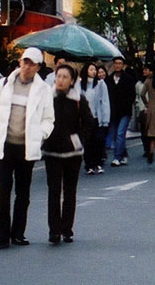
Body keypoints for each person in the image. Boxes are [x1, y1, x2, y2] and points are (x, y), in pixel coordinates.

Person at [0, 47, 55, 249]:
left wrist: (40, 135)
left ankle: (18, 233)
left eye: (31, 63)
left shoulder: (44, 90)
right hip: (4, 144)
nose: (26, 66)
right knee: (3, 190)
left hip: (26, 147)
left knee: (23, 193)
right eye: (24, 62)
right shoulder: (3, 84)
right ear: (19, 62)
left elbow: (49, 119)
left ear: (38, 67)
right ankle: (1, 234)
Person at [43, 64, 94, 244]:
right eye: (58, 76)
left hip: (73, 153)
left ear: (72, 81)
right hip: (51, 151)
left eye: (65, 77)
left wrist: (78, 140)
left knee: (70, 192)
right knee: (53, 192)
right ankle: (54, 231)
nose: (60, 80)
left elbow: (89, 123)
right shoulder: (47, 98)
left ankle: (67, 229)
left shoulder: (79, 99)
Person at [79, 62, 110, 175]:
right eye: (91, 69)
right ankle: (89, 165)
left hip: (97, 117)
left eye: (94, 70)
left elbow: (105, 102)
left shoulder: (101, 84)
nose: (93, 72)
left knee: (98, 141)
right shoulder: (80, 85)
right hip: (86, 119)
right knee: (87, 142)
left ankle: (98, 163)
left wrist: (105, 119)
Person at [105, 56, 136, 167]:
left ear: (123, 65)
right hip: (113, 112)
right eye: (116, 63)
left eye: (120, 63)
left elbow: (132, 95)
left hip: (124, 111)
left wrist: (126, 104)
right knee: (114, 135)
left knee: (120, 134)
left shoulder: (128, 78)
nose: (117, 65)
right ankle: (123, 154)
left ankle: (117, 157)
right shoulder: (108, 79)